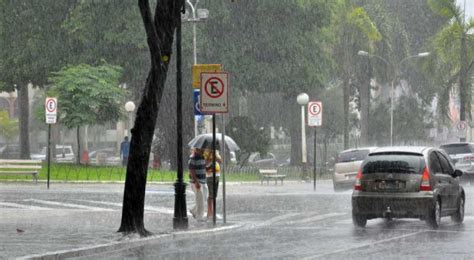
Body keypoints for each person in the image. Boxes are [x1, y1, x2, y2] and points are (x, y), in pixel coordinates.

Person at [188, 148, 207, 221]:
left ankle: (193, 210)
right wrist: (196, 182)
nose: (203, 150)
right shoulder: (193, 158)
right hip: (196, 182)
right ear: (196, 149)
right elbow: (192, 171)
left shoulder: (202, 157)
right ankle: (199, 216)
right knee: (200, 199)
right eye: (201, 149)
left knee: (204, 198)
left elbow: (205, 166)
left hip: (203, 181)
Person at [204, 149, 222, 220]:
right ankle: (209, 212)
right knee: (211, 195)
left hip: (217, 175)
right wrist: (210, 156)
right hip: (210, 176)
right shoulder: (206, 152)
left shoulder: (216, 152)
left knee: (214, 195)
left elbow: (220, 161)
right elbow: (206, 163)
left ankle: (214, 212)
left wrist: (216, 157)